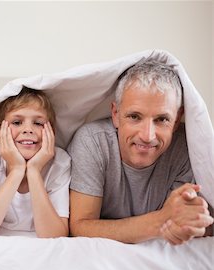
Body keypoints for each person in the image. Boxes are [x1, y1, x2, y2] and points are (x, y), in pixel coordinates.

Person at [67, 59, 213, 245]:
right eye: (134, 117)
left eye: (161, 119)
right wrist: (160, 221)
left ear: (176, 121)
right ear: (115, 114)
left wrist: (192, 222)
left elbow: (183, 223)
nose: (147, 136)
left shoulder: (189, 148)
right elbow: (80, 228)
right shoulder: (93, 141)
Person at [0, 87, 70, 238]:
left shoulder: (60, 162)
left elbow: (55, 236)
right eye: (17, 122)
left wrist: (34, 171)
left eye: (38, 123)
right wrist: (16, 170)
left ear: (52, 132)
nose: (28, 129)